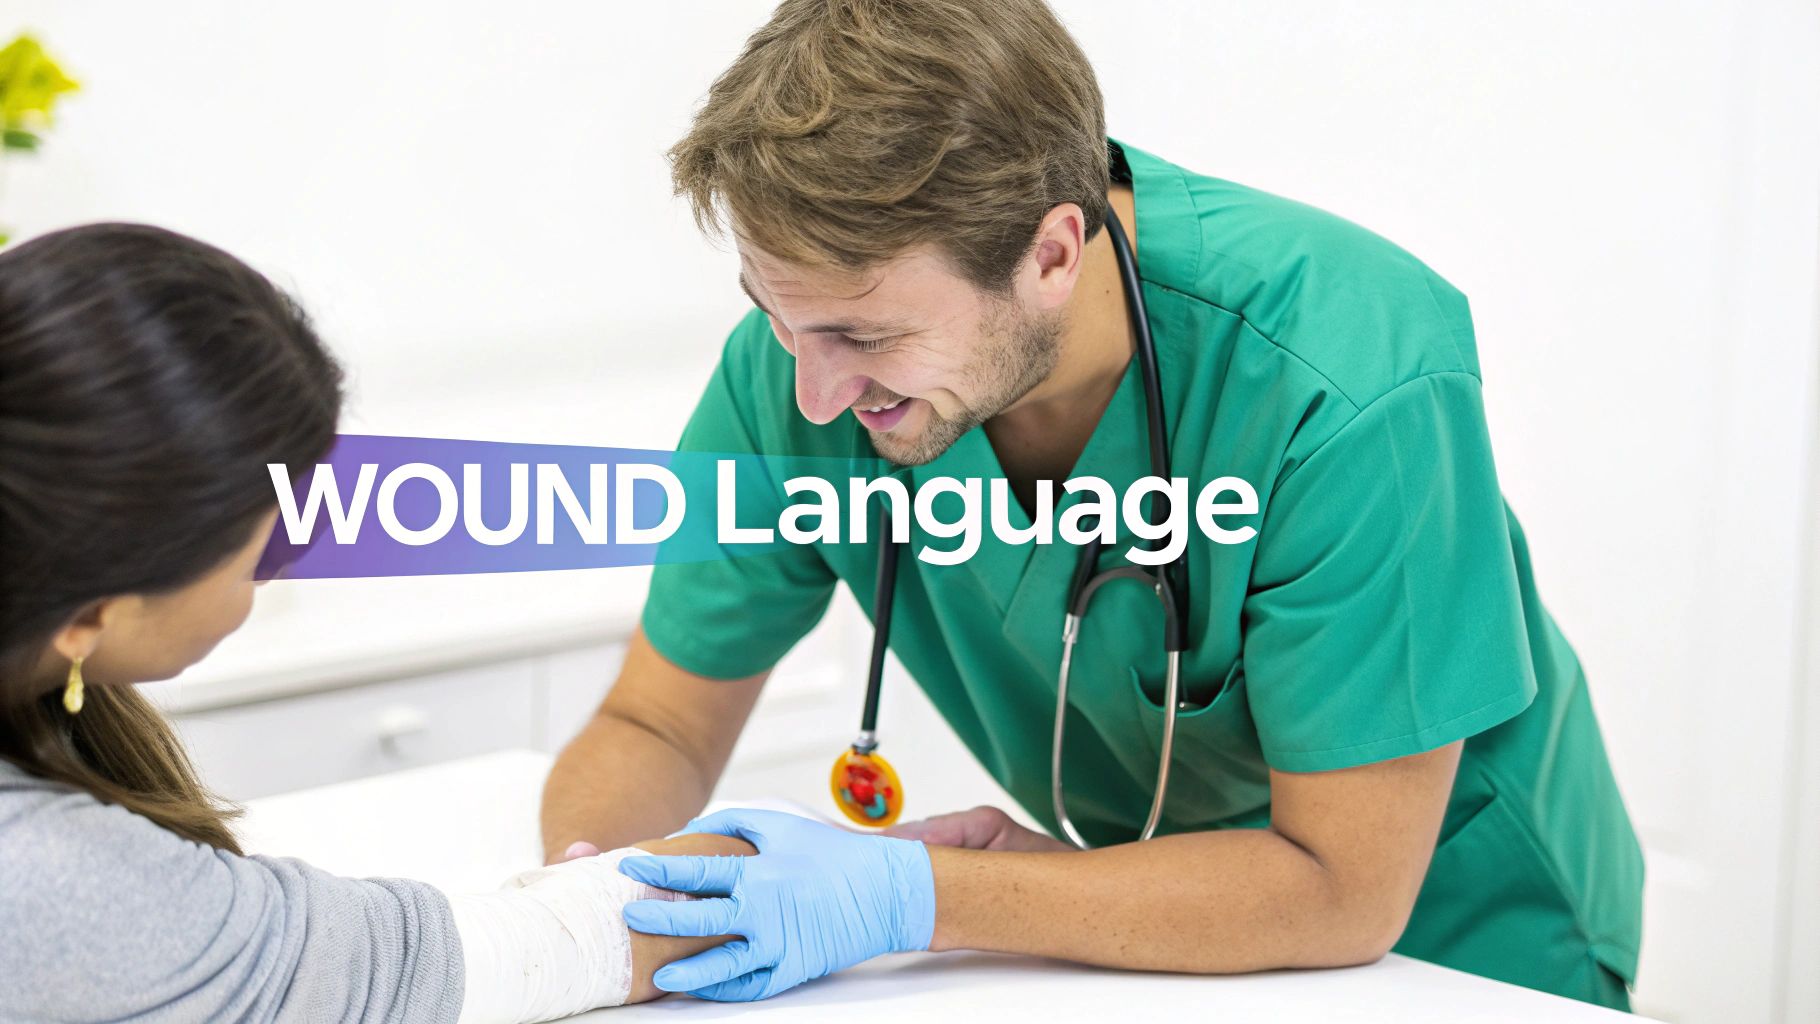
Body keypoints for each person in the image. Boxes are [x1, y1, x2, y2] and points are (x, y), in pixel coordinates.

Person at [541, 0, 1646, 1010]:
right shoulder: (797, 367)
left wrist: (916, 895)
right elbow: (657, 721)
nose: (813, 394)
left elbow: (1340, 889)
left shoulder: (1347, 376)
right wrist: (586, 909)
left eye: (865, 336)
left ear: (1052, 254)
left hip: (1453, 949)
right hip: (1135, 933)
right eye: (778, 315)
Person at [0, 223, 755, 1024]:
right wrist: (765, 873)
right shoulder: (49, 878)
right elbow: (418, 967)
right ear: (94, 614)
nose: (287, 564)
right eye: (261, 551)